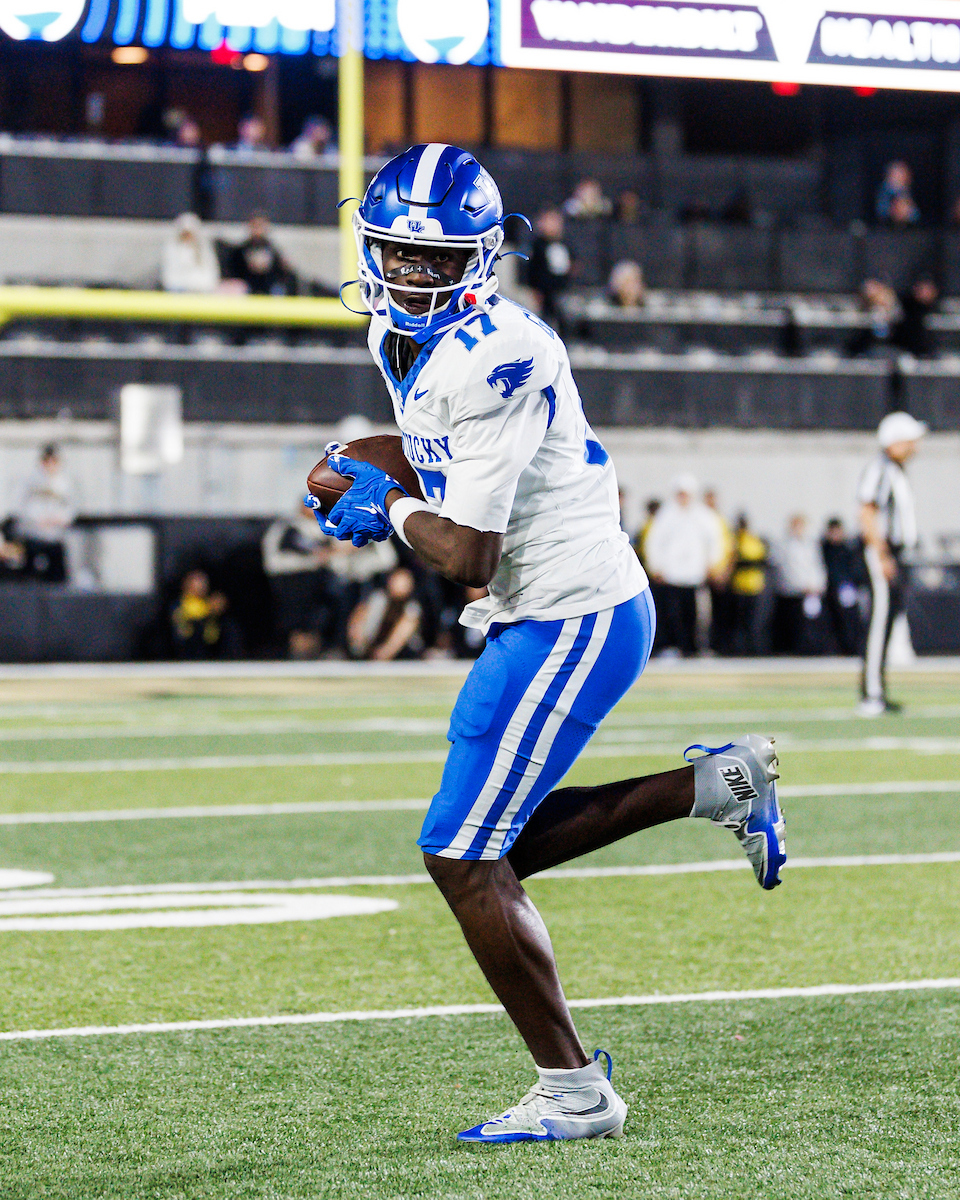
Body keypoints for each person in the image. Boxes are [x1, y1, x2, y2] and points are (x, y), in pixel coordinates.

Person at [309, 143, 787, 1145]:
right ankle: (718, 784)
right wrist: (361, 464)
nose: (412, 277)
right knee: (484, 851)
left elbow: (467, 553)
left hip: (575, 613)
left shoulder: (503, 355)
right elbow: (437, 458)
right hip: (543, 611)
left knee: (463, 854)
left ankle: (574, 1092)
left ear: (483, 259)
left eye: (437, 261)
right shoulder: (399, 335)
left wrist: (384, 504)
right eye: (398, 255)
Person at [857, 411, 926, 715]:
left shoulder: (895, 470)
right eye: (909, 440)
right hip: (881, 553)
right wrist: (882, 554)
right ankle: (871, 694)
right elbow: (867, 513)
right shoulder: (880, 468)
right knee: (878, 622)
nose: (915, 446)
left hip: (893, 554)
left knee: (885, 624)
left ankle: (878, 690)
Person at [643, 474, 725, 657]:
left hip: (695, 573)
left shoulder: (703, 515)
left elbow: (714, 541)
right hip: (671, 574)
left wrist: (712, 564)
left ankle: (693, 647)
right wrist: (656, 566)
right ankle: (673, 646)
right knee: (672, 613)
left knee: (695, 613)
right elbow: (654, 542)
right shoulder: (665, 515)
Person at [262, 500, 348, 659]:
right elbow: (307, 549)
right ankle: (298, 655)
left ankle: (312, 654)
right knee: (297, 624)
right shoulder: (290, 526)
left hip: (312, 579)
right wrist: (327, 553)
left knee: (314, 620)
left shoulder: (321, 527)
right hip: (290, 578)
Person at [13, 444, 75, 583]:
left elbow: (70, 509)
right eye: (47, 461)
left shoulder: (65, 483)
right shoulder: (30, 480)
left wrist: (59, 519)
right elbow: (21, 506)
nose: (50, 465)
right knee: (28, 578)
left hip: (55, 537)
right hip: (33, 537)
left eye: (54, 461)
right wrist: (38, 519)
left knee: (58, 578)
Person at [770, 515, 827, 656]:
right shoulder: (784, 545)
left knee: (812, 623)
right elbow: (787, 570)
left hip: (812, 591)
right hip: (793, 593)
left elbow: (816, 566)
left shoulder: (810, 544)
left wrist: (818, 584)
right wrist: (801, 586)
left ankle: (813, 648)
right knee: (795, 625)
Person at [347, 566, 423, 660]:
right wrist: (357, 641)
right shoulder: (378, 598)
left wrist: (384, 653)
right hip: (368, 647)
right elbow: (358, 618)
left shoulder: (412, 608)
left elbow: (401, 636)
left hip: (401, 655)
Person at [821, 517, 865, 657]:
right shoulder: (825, 549)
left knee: (850, 620)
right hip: (830, 590)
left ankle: (852, 647)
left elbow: (855, 569)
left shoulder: (848, 548)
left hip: (847, 589)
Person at [525, 208, 572, 335]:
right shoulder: (537, 245)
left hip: (562, 290)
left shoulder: (565, 243)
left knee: (563, 315)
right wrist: (535, 290)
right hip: (543, 291)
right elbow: (532, 270)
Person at [227, 213, 294, 296]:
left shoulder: (272, 249)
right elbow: (234, 270)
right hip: (248, 285)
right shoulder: (241, 250)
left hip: (269, 285)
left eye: (261, 226)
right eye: (255, 226)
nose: (258, 230)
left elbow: (281, 271)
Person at [729, 513, 768, 656]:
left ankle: (752, 647)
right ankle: (740, 648)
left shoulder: (751, 540)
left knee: (752, 621)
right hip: (741, 586)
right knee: (740, 621)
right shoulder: (737, 540)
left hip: (753, 585)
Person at [170, 569, 227, 659]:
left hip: (209, 654)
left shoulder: (209, 604)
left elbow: (213, 635)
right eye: (197, 583)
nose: (201, 587)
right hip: (186, 654)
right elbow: (182, 633)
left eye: (203, 583)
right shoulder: (180, 606)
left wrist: (214, 614)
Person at [160, 213, 220, 293]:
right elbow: (168, 276)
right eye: (185, 234)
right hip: (178, 289)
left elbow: (211, 273)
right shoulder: (172, 249)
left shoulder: (203, 249)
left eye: (190, 234)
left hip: (200, 290)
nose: (187, 237)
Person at [892, 278, 939, 359]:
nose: (924, 293)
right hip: (905, 351)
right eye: (921, 289)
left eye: (927, 290)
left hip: (928, 353)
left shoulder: (935, 309)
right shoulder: (907, 307)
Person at [876, 161, 919, 226]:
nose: (899, 178)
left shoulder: (907, 193)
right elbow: (881, 211)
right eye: (896, 175)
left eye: (902, 175)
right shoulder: (884, 194)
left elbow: (915, 215)